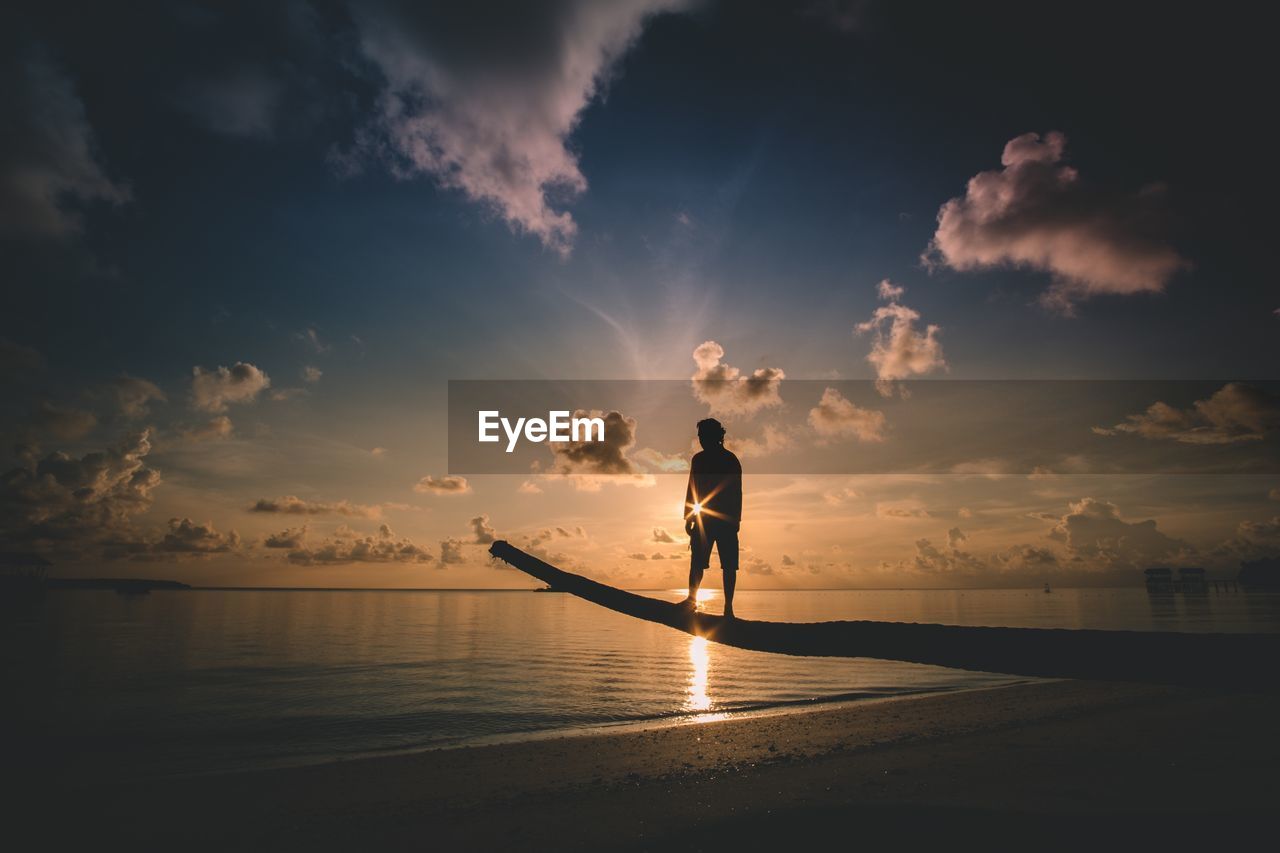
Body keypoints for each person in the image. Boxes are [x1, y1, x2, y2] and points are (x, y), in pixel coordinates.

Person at [679, 418, 742, 617]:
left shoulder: (730, 460)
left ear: (715, 436)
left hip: (724, 520)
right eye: (699, 436)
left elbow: (737, 492)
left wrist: (736, 521)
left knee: (729, 565)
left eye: (703, 436)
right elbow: (693, 488)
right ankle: (691, 601)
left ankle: (728, 608)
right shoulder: (698, 459)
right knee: (697, 563)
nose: (700, 440)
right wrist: (688, 516)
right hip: (705, 519)